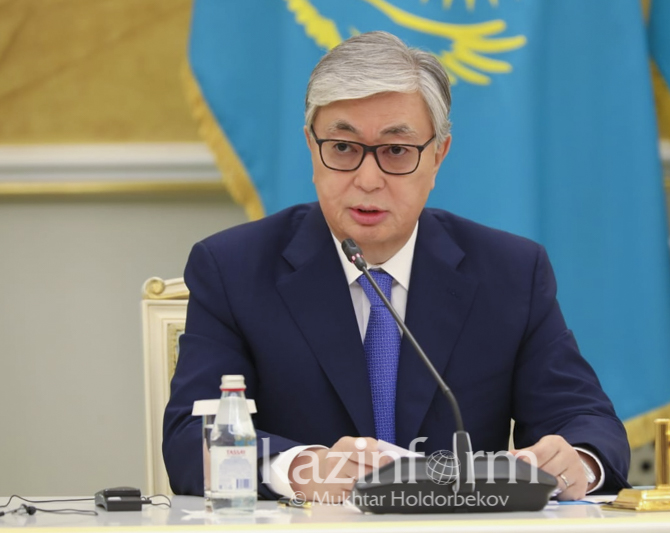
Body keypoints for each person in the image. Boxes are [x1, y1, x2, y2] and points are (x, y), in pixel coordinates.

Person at [163, 31, 630, 504]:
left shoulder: (510, 272)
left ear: (438, 155)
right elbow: (189, 437)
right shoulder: (233, 269)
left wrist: (576, 461)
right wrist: (302, 468)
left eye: (396, 151)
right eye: (342, 148)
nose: (368, 180)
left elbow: (588, 423)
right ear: (311, 147)